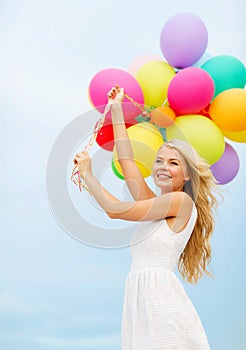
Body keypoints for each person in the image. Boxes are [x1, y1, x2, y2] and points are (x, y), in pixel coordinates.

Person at [73, 86, 220, 349]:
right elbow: (127, 159)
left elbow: (115, 210)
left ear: (187, 175)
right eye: (159, 161)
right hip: (139, 301)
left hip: (162, 301)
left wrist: (88, 176)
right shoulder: (152, 203)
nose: (163, 167)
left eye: (173, 163)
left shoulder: (181, 201)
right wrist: (117, 110)